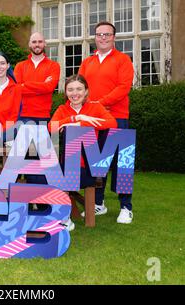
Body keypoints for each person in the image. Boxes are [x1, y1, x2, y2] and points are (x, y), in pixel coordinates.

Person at [78, 21, 134, 224]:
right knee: (98, 163)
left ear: (114, 37)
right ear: (95, 37)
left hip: (117, 117)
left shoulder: (123, 60)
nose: (103, 37)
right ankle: (99, 204)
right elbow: (80, 87)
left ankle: (126, 207)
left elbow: (123, 88)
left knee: (122, 164)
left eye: (107, 34)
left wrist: (99, 103)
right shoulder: (87, 62)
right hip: (93, 120)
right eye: (99, 34)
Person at [49, 74, 117, 231]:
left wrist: (83, 122)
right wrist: (74, 118)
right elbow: (51, 127)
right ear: (65, 92)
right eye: (70, 89)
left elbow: (111, 122)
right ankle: (62, 216)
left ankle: (63, 216)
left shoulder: (95, 107)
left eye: (79, 89)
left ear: (86, 91)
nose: (75, 93)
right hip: (67, 166)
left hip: (87, 166)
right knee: (42, 174)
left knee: (71, 133)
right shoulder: (62, 109)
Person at [14, 32, 60, 186]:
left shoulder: (54, 66)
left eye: (40, 41)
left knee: (42, 159)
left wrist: (26, 85)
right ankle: (23, 196)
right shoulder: (20, 66)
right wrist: (41, 85)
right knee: (23, 157)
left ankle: (40, 199)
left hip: (43, 117)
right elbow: (16, 89)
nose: (37, 44)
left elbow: (50, 87)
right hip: (23, 117)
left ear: (45, 44)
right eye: (34, 42)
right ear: (29, 45)